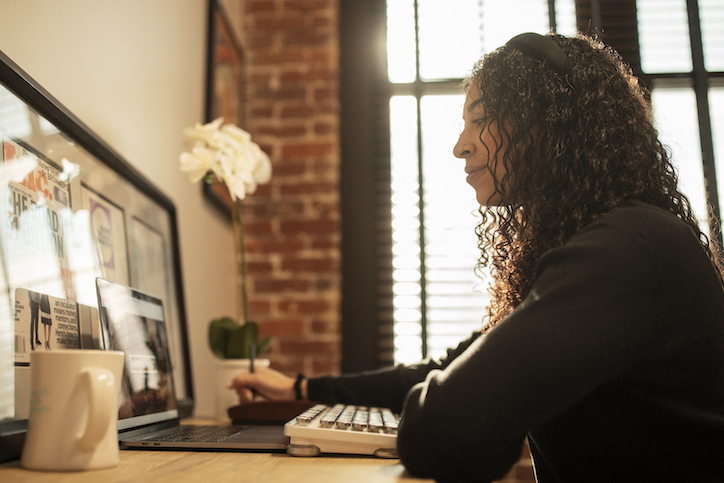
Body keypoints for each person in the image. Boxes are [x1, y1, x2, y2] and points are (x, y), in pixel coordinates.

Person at [230, 32, 724, 482]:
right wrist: (300, 385)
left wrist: (475, 406)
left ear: (548, 121)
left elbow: (443, 432)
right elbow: (447, 370)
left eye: (481, 119)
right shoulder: (617, 242)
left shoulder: (626, 250)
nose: (459, 146)